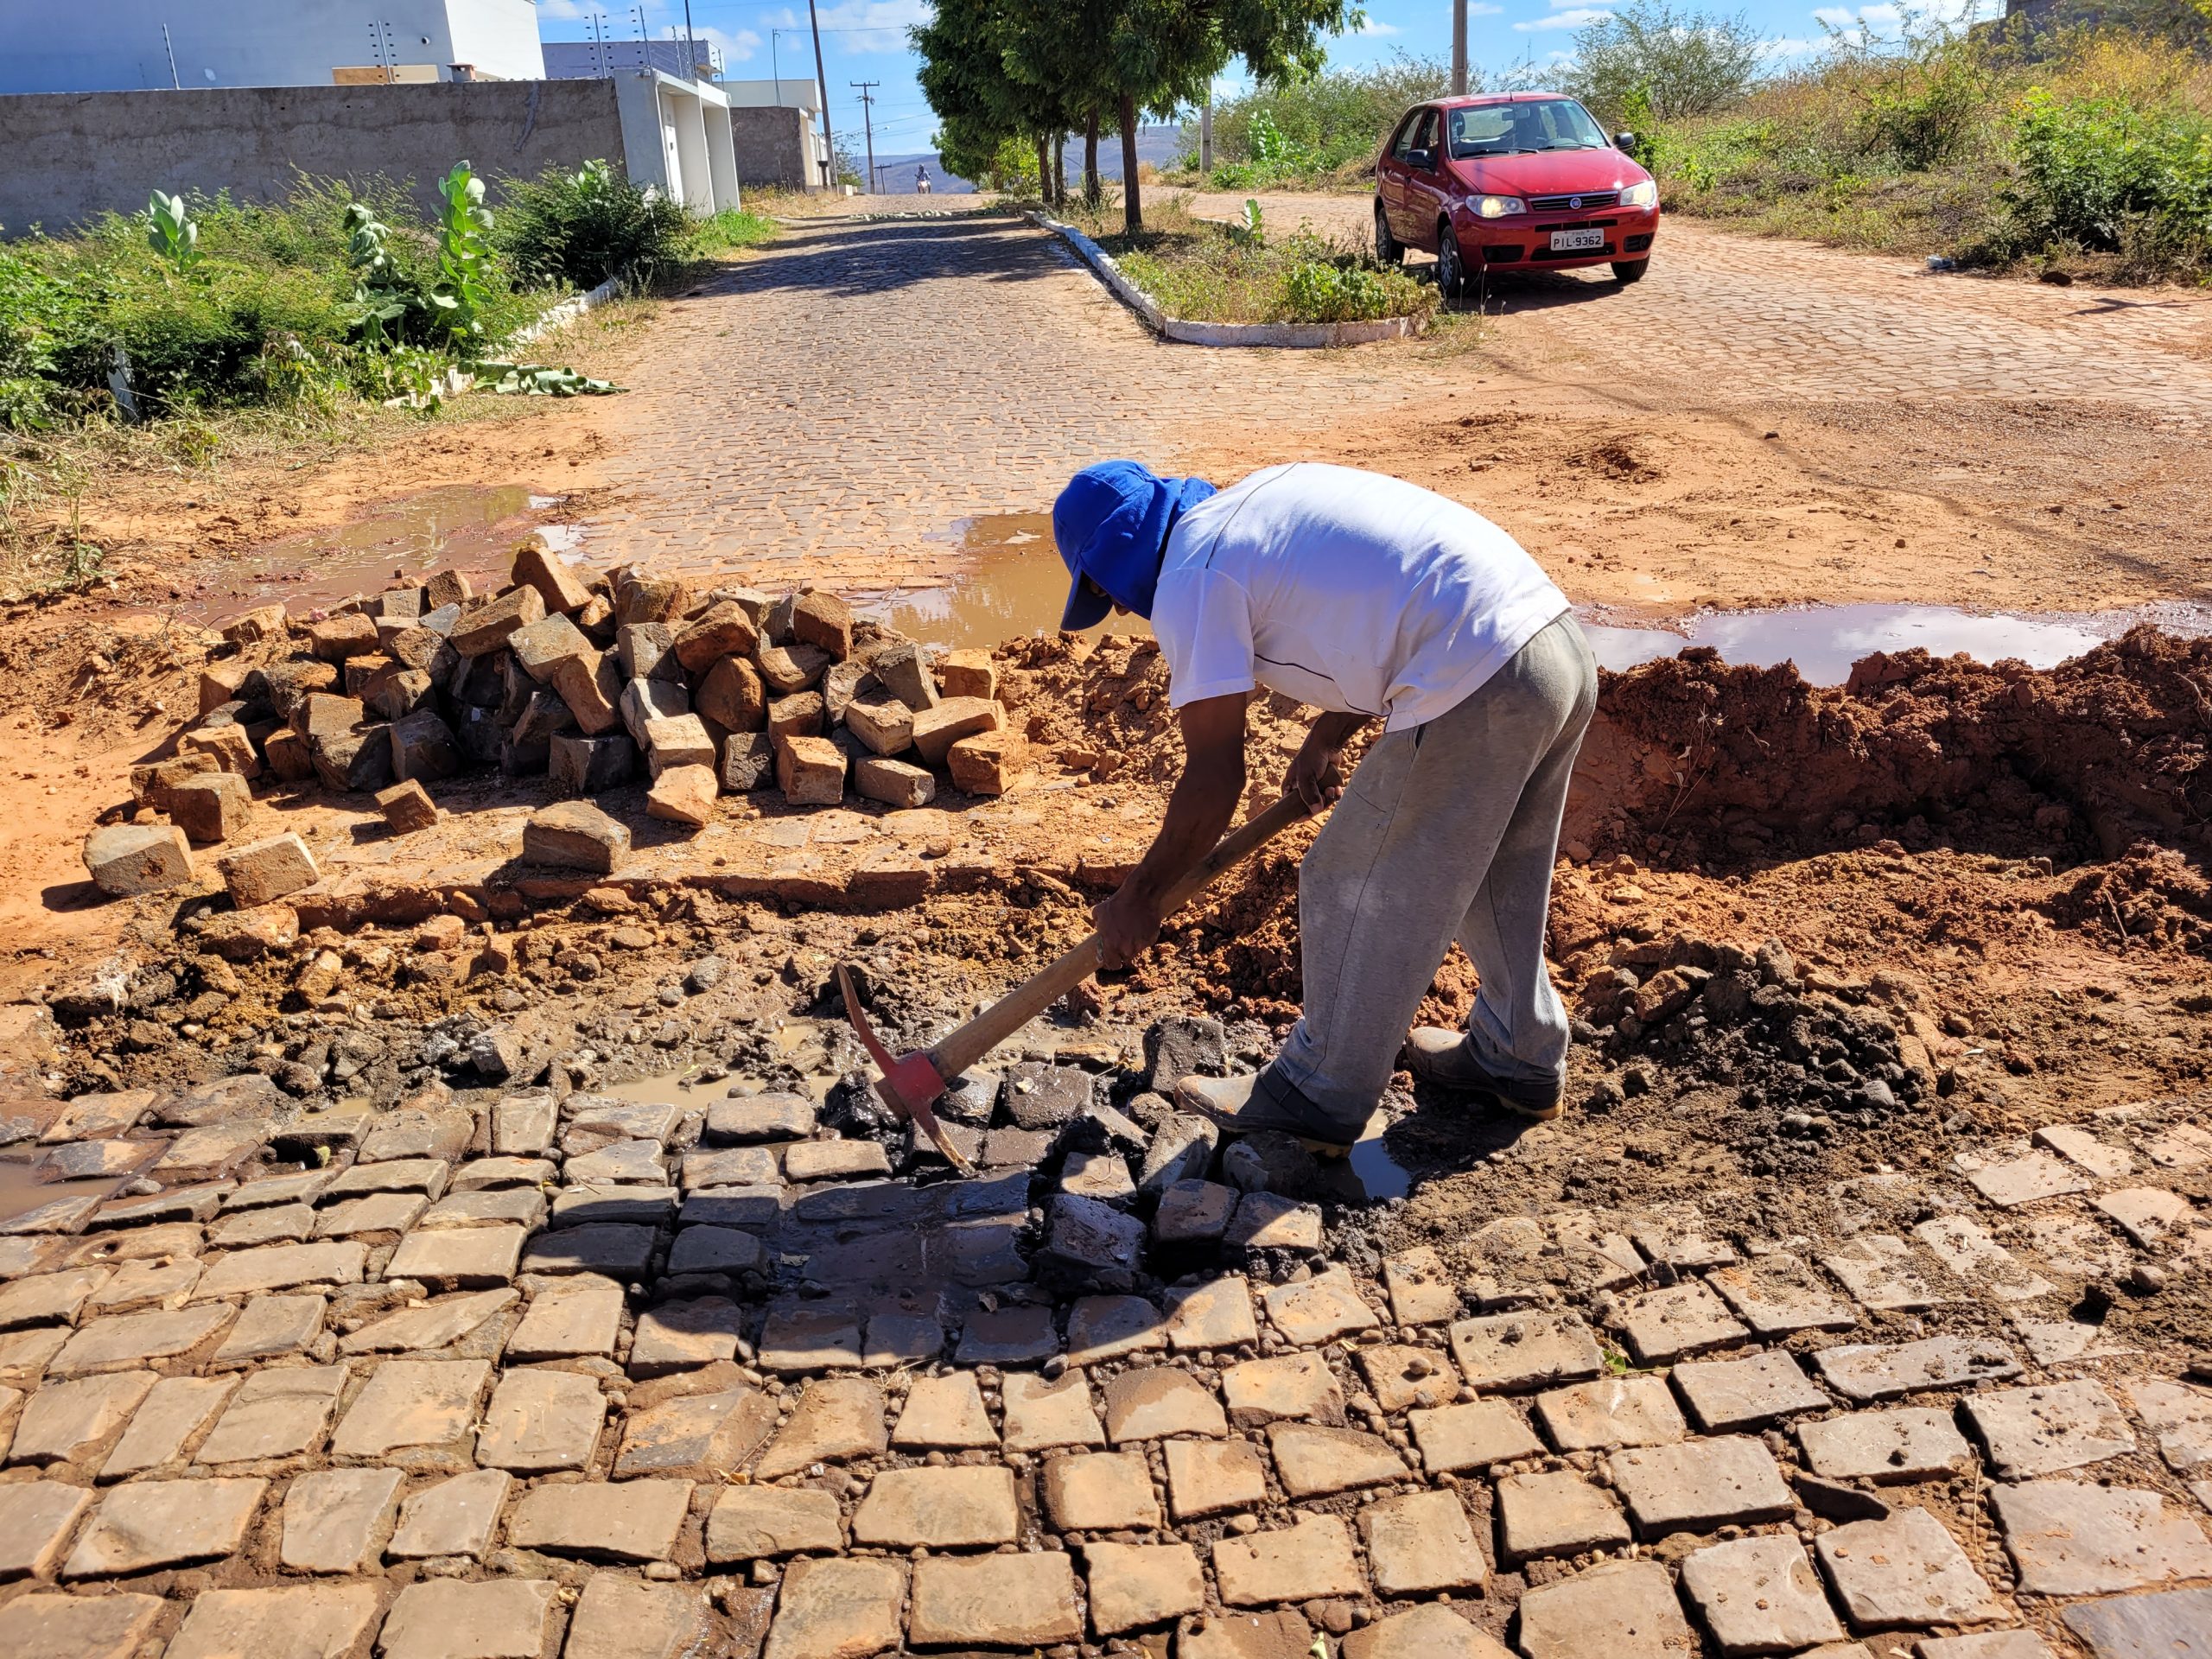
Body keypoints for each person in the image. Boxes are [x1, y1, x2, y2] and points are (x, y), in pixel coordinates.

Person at [1052, 460, 1598, 1148]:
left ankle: (1318, 1091)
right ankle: (1517, 1049)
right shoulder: (1258, 502)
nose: (1124, 611)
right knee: (1495, 870)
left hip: (1476, 672)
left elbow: (1214, 776)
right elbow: (1384, 605)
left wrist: (1141, 895)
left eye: (1109, 594)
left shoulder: (1194, 572)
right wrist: (1326, 734)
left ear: (1112, 566)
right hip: (1553, 646)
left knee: (1349, 879)